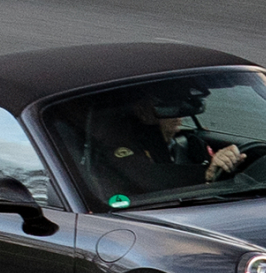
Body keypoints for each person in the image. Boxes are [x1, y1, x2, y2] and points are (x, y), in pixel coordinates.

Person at [83, 86, 252, 200]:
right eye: (169, 107)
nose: (180, 115)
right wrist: (206, 173)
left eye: (181, 107)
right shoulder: (118, 144)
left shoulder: (184, 142)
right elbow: (145, 175)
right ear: (142, 111)